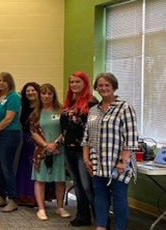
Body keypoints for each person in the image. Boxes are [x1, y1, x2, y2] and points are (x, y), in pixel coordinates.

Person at [83, 73, 139, 230]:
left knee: (119, 196)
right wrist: (86, 159)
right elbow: (86, 137)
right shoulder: (93, 110)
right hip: (97, 162)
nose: (103, 88)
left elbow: (131, 137)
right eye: (100, 85)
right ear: (96, 88)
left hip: (118, 162)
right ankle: (101, 226)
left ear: (114, 86)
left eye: (107, 85)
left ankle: (119, 228)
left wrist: (123, 161)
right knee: (100, 195)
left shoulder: (124, 108)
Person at [61, 71, 97, 227]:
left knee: (88, 186)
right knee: (78, 185)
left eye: (78, 82)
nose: (74, 85)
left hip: (83, 151)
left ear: (85, 83)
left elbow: (92, 129)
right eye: (72, 82)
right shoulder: (70, 102)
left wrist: (87, 154)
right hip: (68, 149)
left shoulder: (91, 102)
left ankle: (101, 219)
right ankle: (83, 216)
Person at [30, 84, 70, 220]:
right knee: (40, 180)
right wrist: (47, 145)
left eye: (49, 94)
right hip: (42, 151)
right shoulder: (35, 113)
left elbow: (67, 130)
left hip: (59, 151)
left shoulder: (62, 111)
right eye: (43, 93)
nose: (46, 96)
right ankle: (41, 209)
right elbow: (34, 133)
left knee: (60, 180)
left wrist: (56, 144)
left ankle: (59, 207)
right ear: (40, 96)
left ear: (54, 95)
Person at [0, 72, 21, 212]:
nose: (1, 83)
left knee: (6, 168)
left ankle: (13, 199)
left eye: (4, 81)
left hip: (9, 134)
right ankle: (1, 197)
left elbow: (8, 119)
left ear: (10, 82)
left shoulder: (13, 97)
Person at [16, 82, 40, 207]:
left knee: (36, 169)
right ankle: (24, 196)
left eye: (33, 90)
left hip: (40, 141)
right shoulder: (22, 107)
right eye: (28, 91)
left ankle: (37, 197)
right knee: (24, 168)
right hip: (25, 141)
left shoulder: (43, 107)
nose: (30, 93)